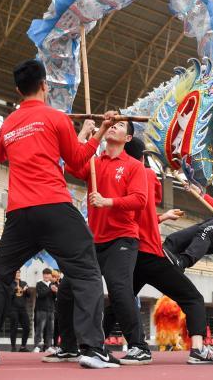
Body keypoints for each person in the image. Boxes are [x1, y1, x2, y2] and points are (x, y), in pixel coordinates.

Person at [0, 59, 119, 368]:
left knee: (0, 278)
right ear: (45, 86)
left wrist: (18, 137)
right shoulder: (56, 117)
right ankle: (92, 349)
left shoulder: (9, 122)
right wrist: (99, 131)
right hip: (54, 207)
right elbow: (77, 164)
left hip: (19, 212)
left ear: (17, 91)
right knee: (87, 271)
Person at [101, 137, 213, 365]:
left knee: (121, 300)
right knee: (193, 298)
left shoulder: (108, 175)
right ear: (142, 157)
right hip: (148, 251)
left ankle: (95, 344)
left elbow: (136, 213)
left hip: (125, 250)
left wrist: (160, 218)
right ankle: (198, 349)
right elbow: (155, 196)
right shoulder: (144, 172)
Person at [67, 118, 149, 365]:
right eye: (112, 124)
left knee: (119, 289)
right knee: (68, 290)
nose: (113, 126)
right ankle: (70, 347)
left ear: (128, 138)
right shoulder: (94, 161)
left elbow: (140, 200)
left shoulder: (134, 166)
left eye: (121, 125)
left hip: (122, 238)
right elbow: (71, 162)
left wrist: (107, 202)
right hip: (94, 239)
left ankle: (139, 346)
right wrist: (83, 133)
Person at [33, 268, 57, 352]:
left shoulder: (53, 284)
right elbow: (41, 294)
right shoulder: (39, 284)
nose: (46, 276)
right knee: (40, 329)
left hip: (51, 310)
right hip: (41, 310)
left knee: (50, 329)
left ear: (51, 275)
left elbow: (54, 298)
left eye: (48, 274)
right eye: (45, 274)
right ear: (43, 275)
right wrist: (50, 289)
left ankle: (48, 346)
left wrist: (55, 292)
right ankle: (37, 346)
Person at [9, 270, 30, 352]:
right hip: (13, 308)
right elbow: (8, 296)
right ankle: (13, 346)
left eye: (19, 272)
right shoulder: (10, 283)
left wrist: (26, 290)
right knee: (14, 327)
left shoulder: (24, 283)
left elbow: (29, 295)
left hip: (23, 308)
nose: (18, 274)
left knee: (27, 327)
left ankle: (23, 346)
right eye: (16, 272)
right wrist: (14, 290)